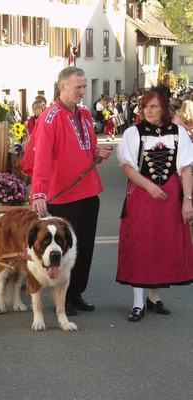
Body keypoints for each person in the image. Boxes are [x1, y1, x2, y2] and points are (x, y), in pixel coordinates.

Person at [31, 67, 113, 316]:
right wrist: (39, 192)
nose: (82, 91)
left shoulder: (86, 114)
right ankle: (62, 298)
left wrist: (96, 154)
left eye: (84, 86)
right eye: (78, 87)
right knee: (63, 250)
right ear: (62, 87)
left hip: (89, 192)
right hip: (64, 196)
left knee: (84, 248)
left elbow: (88, 147)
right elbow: (42, 158)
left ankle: (76, 293)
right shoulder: (50, 117)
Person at [116, 90, 193, 322]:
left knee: (161, 243)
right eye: (145, 107)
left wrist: (188, 200)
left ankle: (154, 296)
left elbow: (187, 168)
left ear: (164, 109)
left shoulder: (178, 132)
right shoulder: (133, 133)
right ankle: (138, 302)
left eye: (154, 106)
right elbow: (128, 167)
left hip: (170, 198)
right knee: (141, 245)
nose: (148, 111)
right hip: (141, 196)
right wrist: (148, 187)